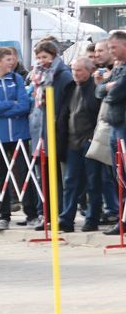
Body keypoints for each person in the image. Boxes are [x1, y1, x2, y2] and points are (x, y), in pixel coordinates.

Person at [0, 47, 32, 231]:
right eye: (8, 59)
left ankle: (31, 214)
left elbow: (24, 105)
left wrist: (2, 110)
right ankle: (4, 216)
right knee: (1, 177)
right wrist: (11, 105)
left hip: (19, 134)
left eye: (13, 59)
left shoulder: (17, 79)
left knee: (25, 174)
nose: (12, 62)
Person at [29, 40, 73, 230]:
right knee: (43, 177)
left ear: (54, 56)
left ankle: (59, 214)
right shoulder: (38, 77)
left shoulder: (62, 76)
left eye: (45, 57)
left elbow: (62, 106)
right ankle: (46, 214)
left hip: (55, 131)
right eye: (38, 57)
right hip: (40, 130)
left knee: (57, 177)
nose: (41, 61)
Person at [57, 57, 103, 232]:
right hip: (72, 143)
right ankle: (66, 218)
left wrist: (94, 137)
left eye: (79, 70)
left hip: (90, 142)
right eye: (74, 70)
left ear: (89, 71)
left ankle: (92, 219)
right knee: (70, 182)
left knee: (93, 182)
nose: (75, 73)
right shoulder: (70, 88)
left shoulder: (95, 89)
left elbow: (99, 114)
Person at [95, 30, 126, 235]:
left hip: (123, 126)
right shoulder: (117, 68)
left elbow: (115, 93)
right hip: (115, 126)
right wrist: (107, 86)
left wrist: (107, 88)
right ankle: (122, 220)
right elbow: (99, 91)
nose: (111, 51)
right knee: (120, 177)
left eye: (114, 47)